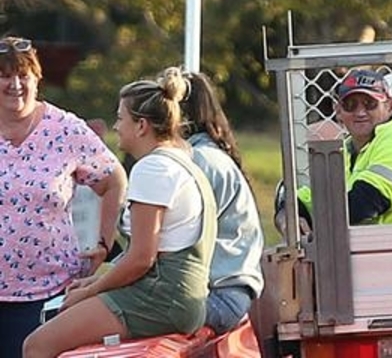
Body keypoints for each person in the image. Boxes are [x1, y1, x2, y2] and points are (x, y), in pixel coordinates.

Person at [23, 68, 216, 358]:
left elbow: (141, 258)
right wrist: (95, 282)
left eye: (121, 118)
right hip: (183, 298)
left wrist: (89, 292)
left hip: (161, 300)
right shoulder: (183, 162)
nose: (116, 127)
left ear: (141, 126)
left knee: (37, 344)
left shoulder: (152, 169)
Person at [0, 35, 127, 358]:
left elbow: (113, 180)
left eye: (23, 75)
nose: (15, 84)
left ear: (37, 78)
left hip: (47, 292)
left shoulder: (64, 129)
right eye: (4, 76)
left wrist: (104, 243)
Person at [288, 68, 392, 230]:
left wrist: (305, 219)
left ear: (391, 107)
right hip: (381, 243)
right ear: (338, 111)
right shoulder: (348, 150)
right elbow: (311, 197)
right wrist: (288, 212)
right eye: (350, 105)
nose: (360, 112)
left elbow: (362, 205)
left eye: (370, 104)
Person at [180, 70, 265, 334]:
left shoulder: (198, 161)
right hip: (231, 293)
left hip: (217, 294)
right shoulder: (209, 155)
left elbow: (175, 238)